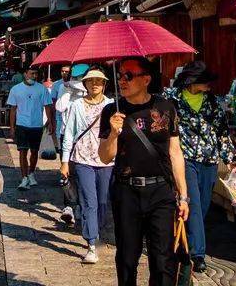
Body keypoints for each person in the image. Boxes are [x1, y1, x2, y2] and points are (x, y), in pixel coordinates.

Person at [99, 57, 190, 286]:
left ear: (146, 79)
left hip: (161, 191)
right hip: (127, 191)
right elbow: (104, 156)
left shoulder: (166, 107)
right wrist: (113, 134)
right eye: (119, 75)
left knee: (163, 260)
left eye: (128, 75)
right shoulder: (112, 111)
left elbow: (175, 152)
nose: (122, 80)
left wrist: (184, 195)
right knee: (128, 257)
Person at [164, 61, 236, 274]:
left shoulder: (213, 102)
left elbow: (222, 131)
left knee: (202, 206)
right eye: (205, 81)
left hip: (209, 160)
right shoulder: (172, 100)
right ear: (192, 81)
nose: (209, 85)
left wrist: (230, 157)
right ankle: (198, 254)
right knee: (194, 203)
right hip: (185, 159)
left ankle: (186, 238)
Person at [60, 68, 114, 265]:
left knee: (102, 202)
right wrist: (65, 161)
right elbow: (69, 134)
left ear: (105, 84)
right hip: (82, 158)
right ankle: (91, 243)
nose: (95, 84)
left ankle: (95, 230)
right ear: (85, 84)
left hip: (106, 159)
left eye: (99, 81)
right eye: (91, 81)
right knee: (89, 201)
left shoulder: (112, 105)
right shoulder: (76, 105)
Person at [52, 63, 88, 225]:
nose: (76, 80)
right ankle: (69, 206)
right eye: (74, 77)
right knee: (67, 172)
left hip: (86, 138)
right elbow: (60, 107)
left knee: (83, 173)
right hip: (67, 135)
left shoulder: (89, 91)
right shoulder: (63, 88)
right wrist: (68, 90)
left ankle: (83, 206)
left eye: (79, 78)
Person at [7, 65, 54, 190]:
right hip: (21, 125)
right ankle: (24, 177)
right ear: (25, 74)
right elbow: (13, 109)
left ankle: (31, 173)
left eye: (35, 74)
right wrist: (12, 127)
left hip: (37, 125)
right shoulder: (16, 89)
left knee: (34, 152)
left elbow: (48, 106)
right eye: (31, 73)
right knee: (22, 151)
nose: (34, 76)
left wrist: (50, 122)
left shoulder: (41, 89)